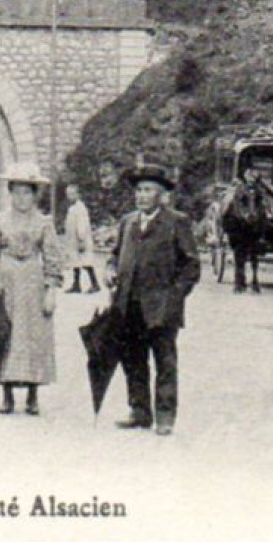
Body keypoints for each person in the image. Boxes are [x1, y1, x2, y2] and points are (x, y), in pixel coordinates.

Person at [109, 162, 199, 437]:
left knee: (164, 361)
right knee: (133, 359)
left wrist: (175, 297)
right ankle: (139, 411)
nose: (142, 195)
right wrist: (110, 271)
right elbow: (114, 255)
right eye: (138, 190)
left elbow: (191, 266)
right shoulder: (127, 222)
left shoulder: (176, 222)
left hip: (161, 307)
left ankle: (165, 415)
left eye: (148, 190)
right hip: (128, 304)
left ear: (161, 194)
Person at [0, 163, 62, 415]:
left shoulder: (44, 223)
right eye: (16, 192)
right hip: (5, 284)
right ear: (10, 193)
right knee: (5, 333)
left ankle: (33, 395)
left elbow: (52, 259)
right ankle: (6, 393)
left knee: (33, 337)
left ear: (35, 195)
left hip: (33, 285)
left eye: (27, 192)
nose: (21, 198)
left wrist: (51, 291)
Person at [63, 181, 99, 294]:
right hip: (73, 240)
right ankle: (76, 285)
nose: (70, 197)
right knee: (76, 263)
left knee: (86, 263)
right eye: (68, 194)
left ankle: (95, 284)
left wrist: (81, 239)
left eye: (72, 194)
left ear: (78, 195)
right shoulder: (72, 208)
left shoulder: (80, 208)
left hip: (80, 240)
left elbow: (81, 225)